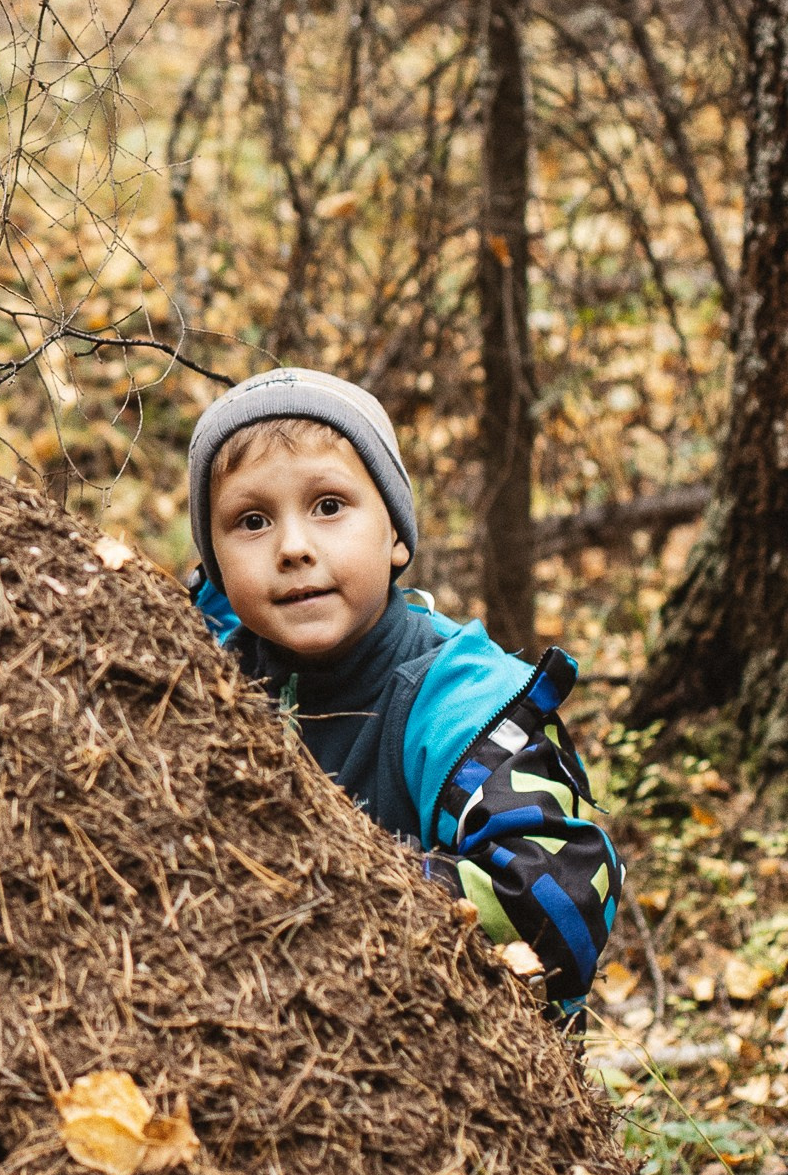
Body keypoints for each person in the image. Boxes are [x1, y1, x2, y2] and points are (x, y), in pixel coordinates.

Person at [186, 366, 622, 1020]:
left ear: (393, 534)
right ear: (215, 563)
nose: (293, 547)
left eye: (328, 506)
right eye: (252, 521)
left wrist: (322, 889)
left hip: (438, 1064)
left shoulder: (465, 706)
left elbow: (559, 899)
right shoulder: (192, 681)